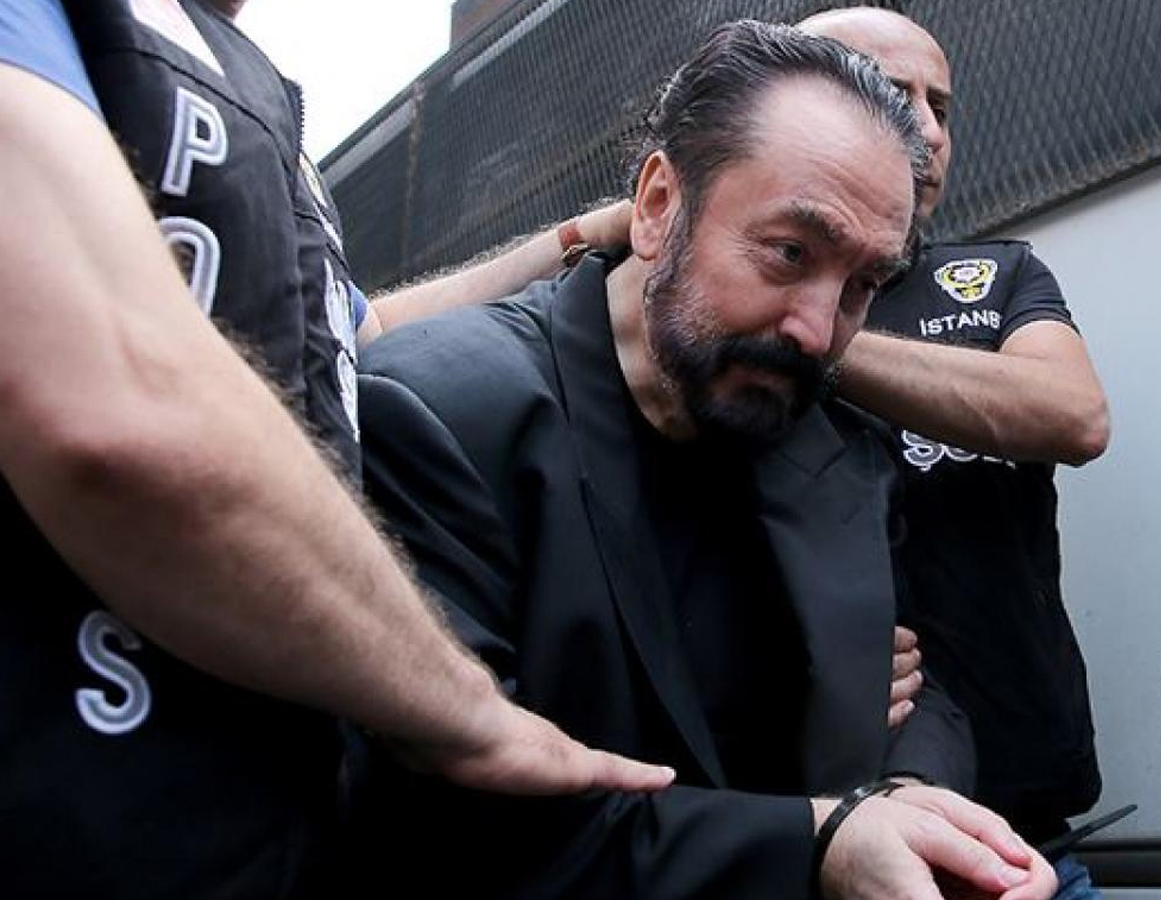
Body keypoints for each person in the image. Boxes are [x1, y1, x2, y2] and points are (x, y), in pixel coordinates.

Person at [355, 20, 1056, 900]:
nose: (818, 331)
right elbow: (446, 825)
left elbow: (921, 693)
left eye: (862, 286)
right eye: (790, 253)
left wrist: (911, 801)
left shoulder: (840, 447)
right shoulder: (440, 413)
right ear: (658, 206)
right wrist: (818, 845)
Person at [0, 1, 669, 897]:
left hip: (249, 802)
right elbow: (116, 404)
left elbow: (358, 335)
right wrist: (465, 708)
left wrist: (577, 237)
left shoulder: (256, 102)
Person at [800, 7, 1113, 895]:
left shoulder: (997, 276)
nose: (930, 131)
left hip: (1024, 835)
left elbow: (1074, 415)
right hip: (823, 834)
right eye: (891, 94)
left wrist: (811, 344)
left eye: (940, 106)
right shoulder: (721, 316)